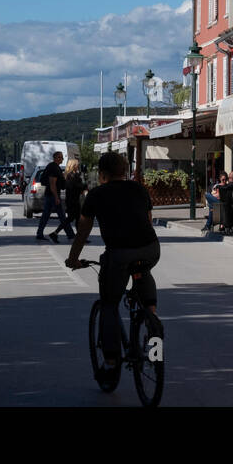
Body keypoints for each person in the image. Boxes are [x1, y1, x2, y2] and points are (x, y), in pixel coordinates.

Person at [65, 152, 161, 368]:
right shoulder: (139, 189)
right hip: (151, 249)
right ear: (124, 170)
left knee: (109, 304)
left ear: (102, 173)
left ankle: (110, 360)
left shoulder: (97, 195)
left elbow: (82, 232)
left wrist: (73, 258)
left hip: (119, 253)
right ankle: (152, 318)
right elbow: (148, 221)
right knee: (143, 271)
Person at [35, 151, 75, 243]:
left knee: (46, 215)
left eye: (62, 157)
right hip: (53, 195)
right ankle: (70, 235)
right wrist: (56, 197)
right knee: (62, 216)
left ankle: (39, 233)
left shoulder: (53, 166)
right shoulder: (53, 168)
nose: (62, 159)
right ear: (55, 158)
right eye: (60, 157)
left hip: (49, 195)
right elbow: (52, 183)